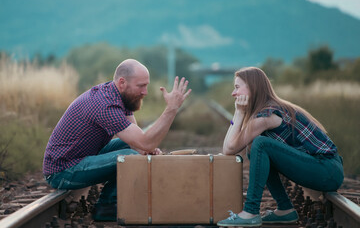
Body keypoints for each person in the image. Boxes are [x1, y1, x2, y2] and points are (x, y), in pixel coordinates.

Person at [42, 59, 191, 221]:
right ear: (122, 82)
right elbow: (145, 143)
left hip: (81, 158)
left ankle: (111, 202)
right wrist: (171, 109)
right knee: (129, 158)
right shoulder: (105, 105)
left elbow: (138, 143)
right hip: (62, 171)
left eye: (146, 85)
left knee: (132, 149)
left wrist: (145, 149)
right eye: (141, 86)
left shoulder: (118, 95)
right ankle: (107, 207)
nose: (145, 92)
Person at [217, 67, 344, 227]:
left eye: (237, 87)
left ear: (252, 87)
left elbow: (229, 149)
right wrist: (238, 114)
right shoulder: (266, 110)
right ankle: (284, 208)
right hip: (325, 168)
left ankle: (250, 211)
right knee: (254, 149)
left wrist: (239, 113)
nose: (233, 93)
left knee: (260, 145)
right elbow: (228, 147)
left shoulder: (268, 114)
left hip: (326, 170)